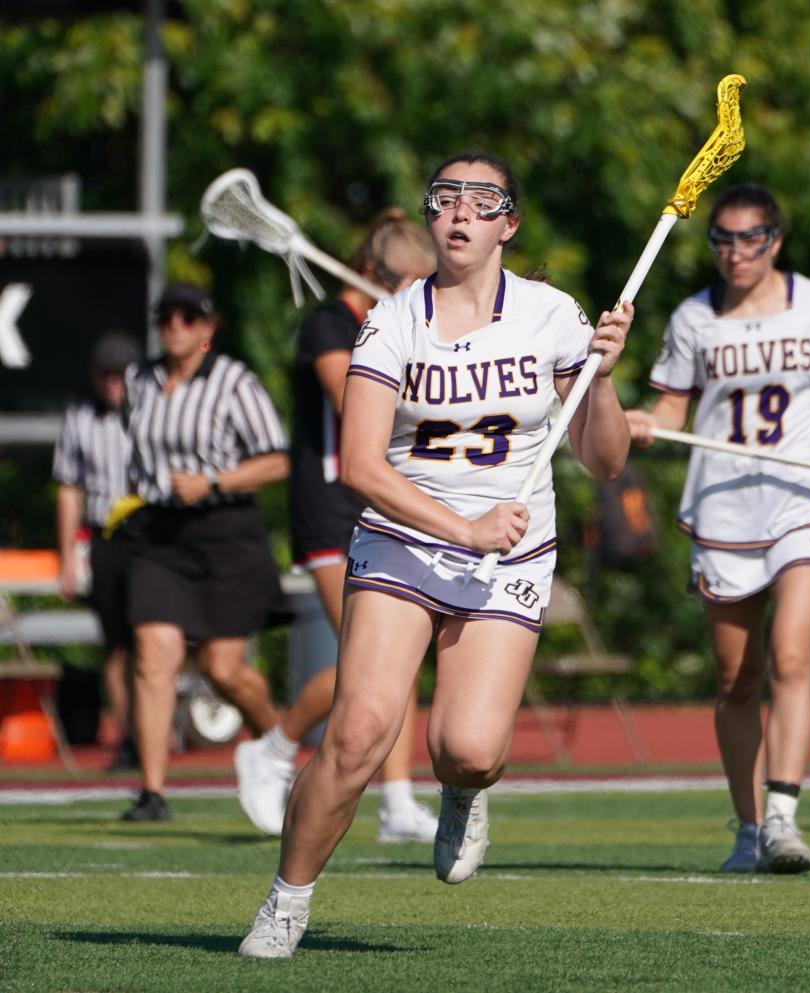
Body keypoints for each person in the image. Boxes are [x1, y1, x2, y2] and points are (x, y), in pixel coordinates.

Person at [238, 151, 632, 958]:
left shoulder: (553, 314)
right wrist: (463, 528)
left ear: (508, 226)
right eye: (445, 198)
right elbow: (361, 466)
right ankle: (287, 898)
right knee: (358, 735)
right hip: (406, 538)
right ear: (429, 219)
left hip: (512, 554)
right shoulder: (392, 319)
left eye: (481, 201)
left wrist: (601, 381)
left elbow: (606, 461)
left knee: (471, 749)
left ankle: (463, 791)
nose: (459, 212)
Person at [626, 184, 810, 875]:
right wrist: (643, 424)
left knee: (791, 654)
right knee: (737, 678)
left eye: (750, 238)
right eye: (723, 239)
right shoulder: (693, 317)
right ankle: (749, 824)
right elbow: (670, 408)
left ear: (776, 240)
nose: (735, 252)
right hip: (725, 508)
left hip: (805, 499)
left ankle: (784, 815)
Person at [234, 209, 440, 843]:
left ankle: (398, 801)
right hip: (330, 506)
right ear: (376, 273)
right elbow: (356, 405)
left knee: (397, 656)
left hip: (386, 501)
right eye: (411, 281)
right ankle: (274, 745)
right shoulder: (331, 324)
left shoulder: (402, 325)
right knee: (367, 657)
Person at [120, 283, 289, 822]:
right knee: (153, 655)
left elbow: (277, 460)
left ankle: (279, 750)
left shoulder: (234, 380)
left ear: (208, 328)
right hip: (159, 534)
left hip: (224, 530)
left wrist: (213, 480)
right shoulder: (137, 380)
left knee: (222, 668)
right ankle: (152, 792)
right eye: (167, 316)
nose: (176, 325)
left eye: (189, 317)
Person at [52, 331, 143, 767]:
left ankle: (156, 733)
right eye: (106, 377)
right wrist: (69, 555)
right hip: (105, 535)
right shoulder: (80, 418)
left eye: (120, 377)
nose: (113, 386)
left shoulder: (153, 411)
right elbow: (69, 487)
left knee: (154, 639)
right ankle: (128, 739)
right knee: (116, 645)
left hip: (150, 534)